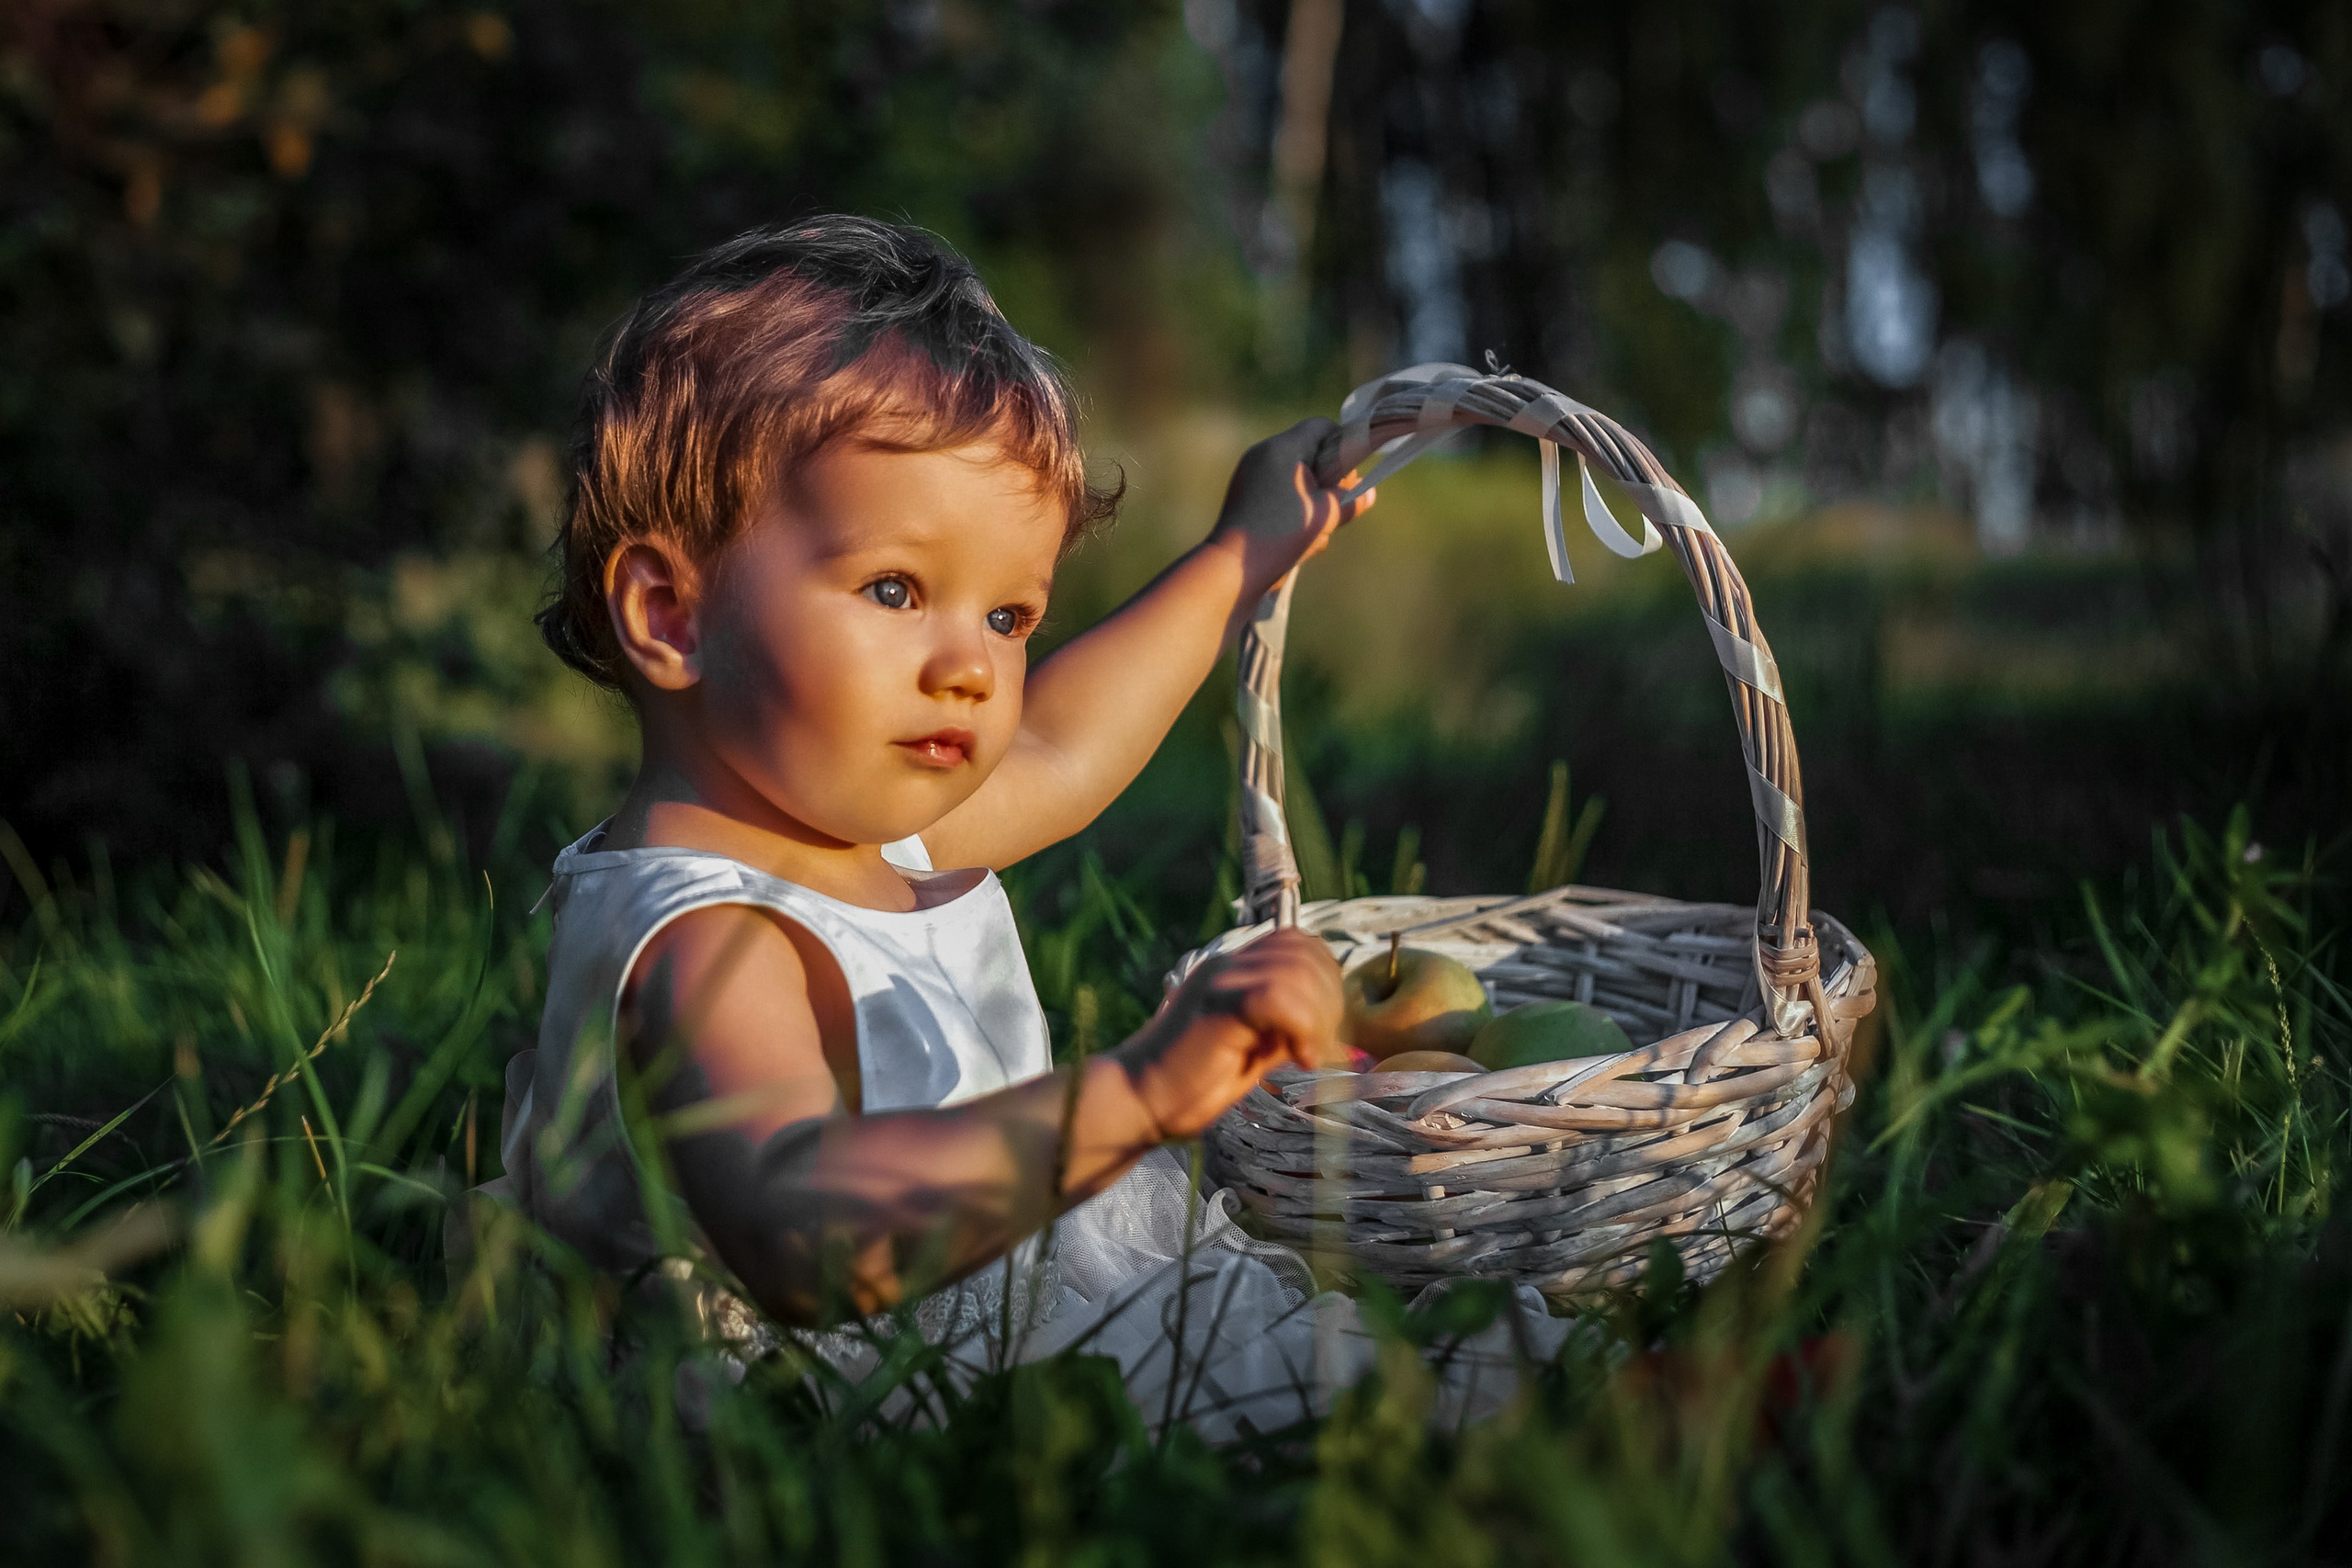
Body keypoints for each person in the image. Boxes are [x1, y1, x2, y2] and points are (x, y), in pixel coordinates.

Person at [488, 215, 1563, 1439]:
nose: (971, 669)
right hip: (867, 1396)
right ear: (670, 614)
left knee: (1386, 1367)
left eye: (1008, 617)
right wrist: (1139, 1092)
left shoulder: (845, 835)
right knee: (1347, 1400)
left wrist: (1239, 554)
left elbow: (1061, 745)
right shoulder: (709, 935)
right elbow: (797, 1227)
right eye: (896, 589)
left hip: (989, 1296)